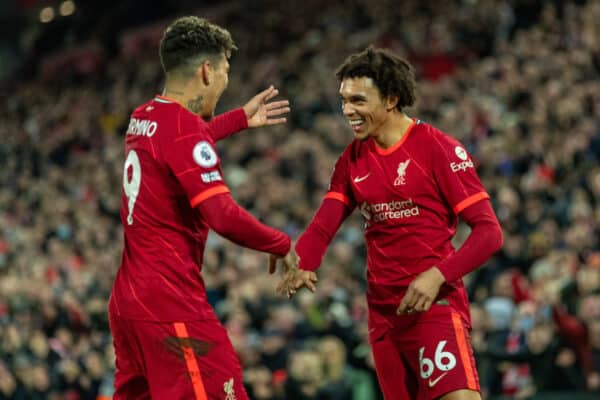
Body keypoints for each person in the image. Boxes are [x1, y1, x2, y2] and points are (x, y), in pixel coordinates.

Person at [276, 46, 503, 400]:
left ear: (391, 99)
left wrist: (437, 276)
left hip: (434, 308)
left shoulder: (437, 148)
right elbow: (324, 223)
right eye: (344, 100)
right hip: (383, 319)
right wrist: (302, 260)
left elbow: (489, 233)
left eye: (358, 100)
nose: (347, 110)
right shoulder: (352, 158)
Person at [108, 16, 295, 400]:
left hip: (129, 306)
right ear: (207, 71)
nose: (225, 83)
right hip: (170, 304)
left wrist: (239, 119)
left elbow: (176, 144)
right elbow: (222, 215)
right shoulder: (183, 128)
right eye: (226, 71)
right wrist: (280, 243)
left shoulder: (143, 116)